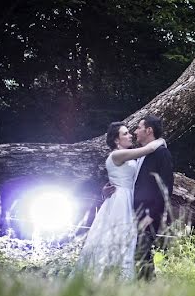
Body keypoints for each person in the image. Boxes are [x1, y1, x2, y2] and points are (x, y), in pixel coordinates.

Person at [74, 123, 165, 280]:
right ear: (117, 140)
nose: (130, 136)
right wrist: (160, 140)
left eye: (129, 133)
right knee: (118, 238)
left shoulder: (124, 154)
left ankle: (122, 277)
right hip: (121, 200)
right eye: (125, 134)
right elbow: (148, 150)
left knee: (127, 239)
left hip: (129, 197)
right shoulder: (116, 155)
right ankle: (110, 276)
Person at [129, 114, 174, 280]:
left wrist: (151, 215)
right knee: (138, 253)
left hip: (148, 214)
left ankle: (148, 289)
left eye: (139, 127)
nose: (135, 132)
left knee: (142, 252)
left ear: (149, 130)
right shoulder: (141, 154)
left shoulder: (162, 154)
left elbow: (166, 188)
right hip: (133, 211)